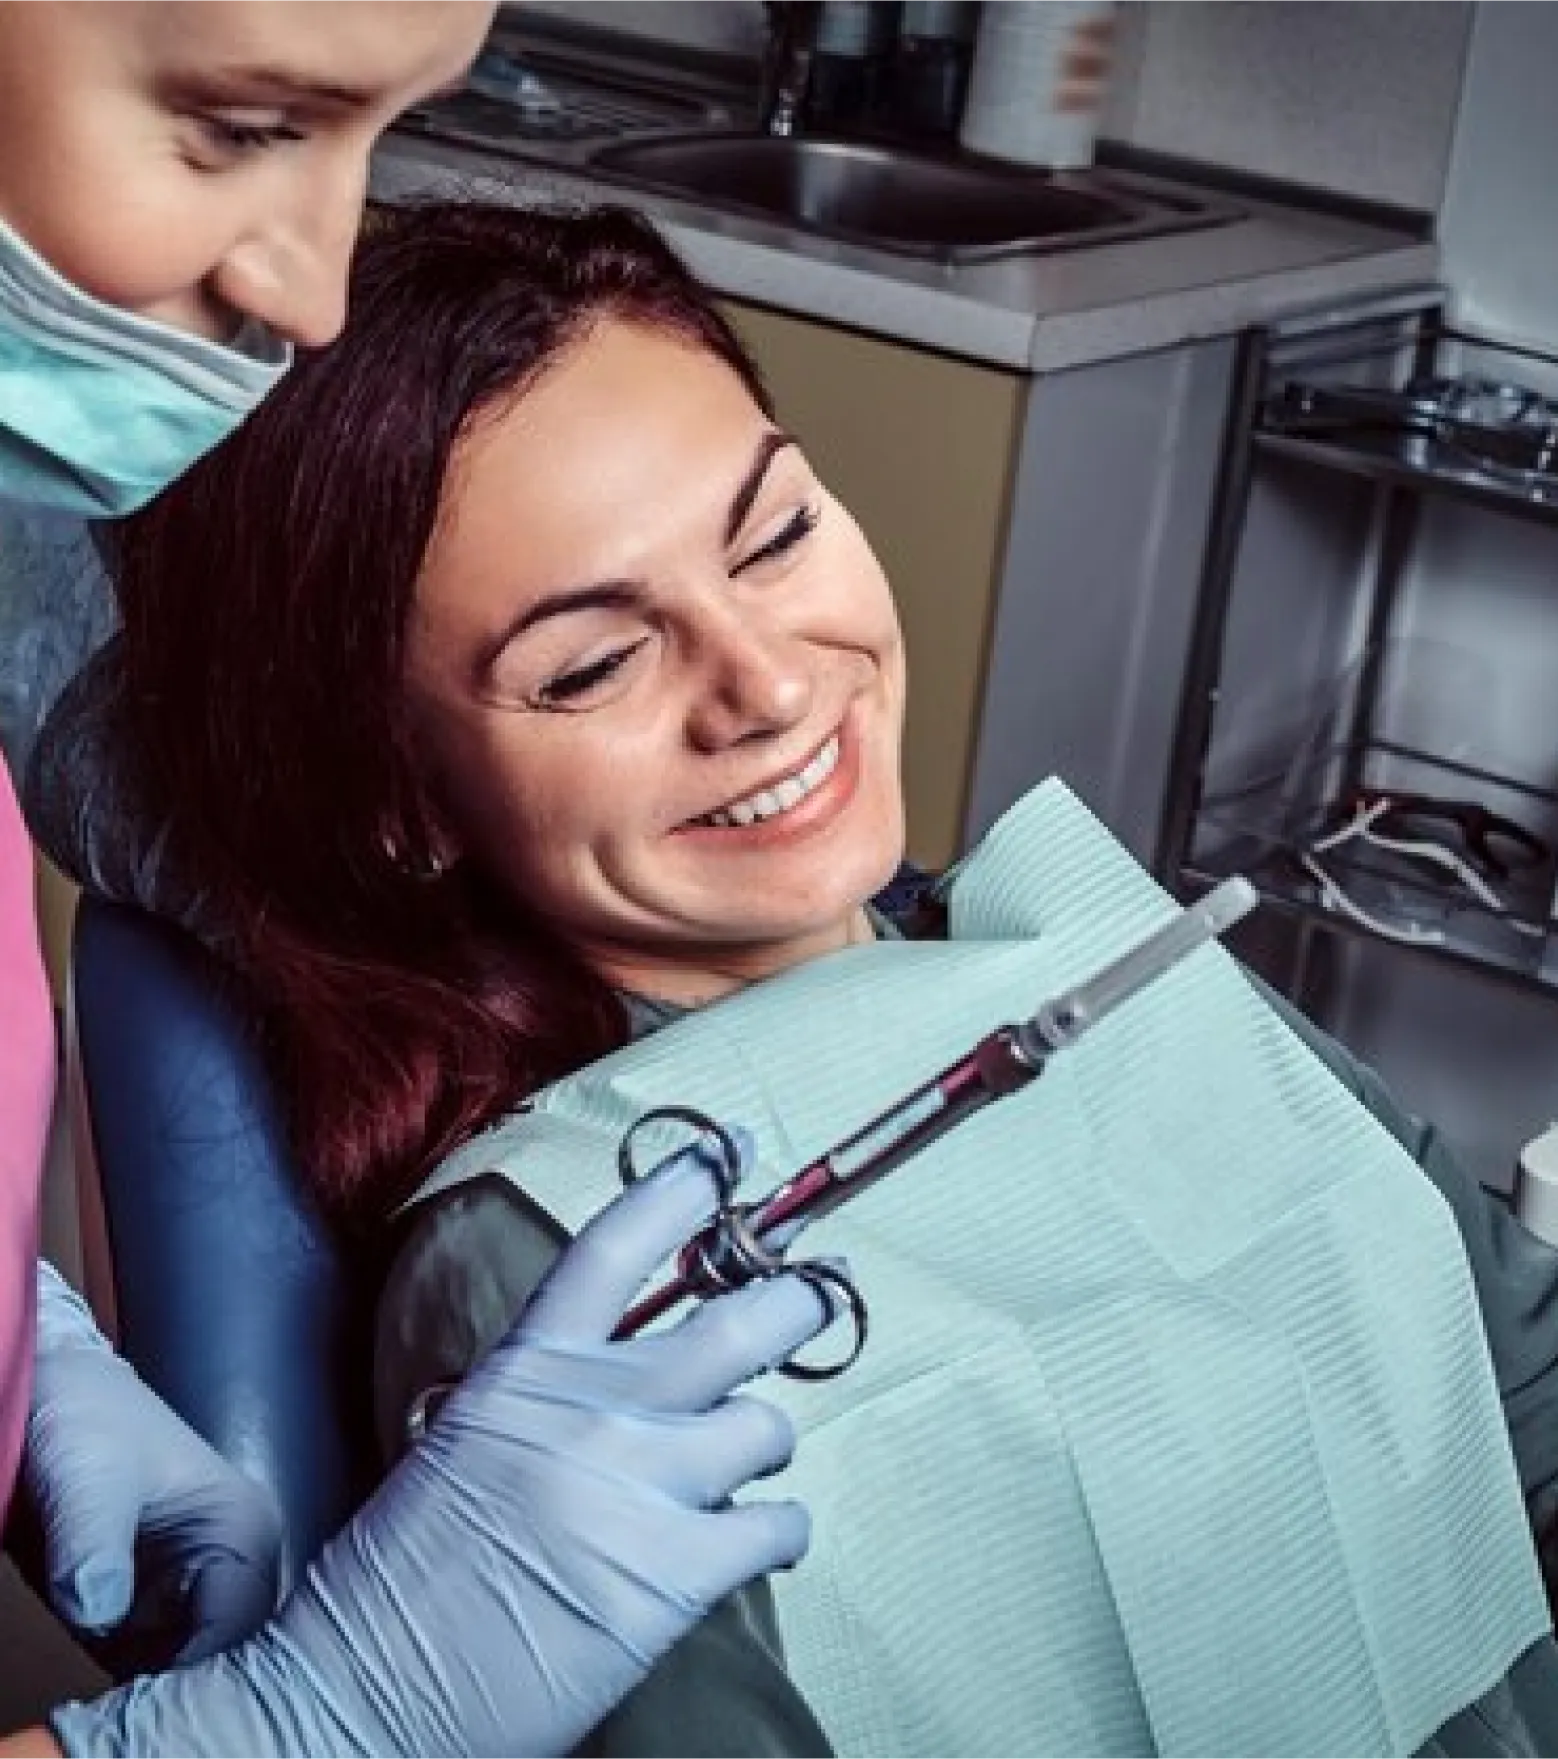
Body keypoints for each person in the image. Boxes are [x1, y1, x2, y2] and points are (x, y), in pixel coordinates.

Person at [32, 198, 1558, 1757]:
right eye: (591, 665)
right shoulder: (565, 1262)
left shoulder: (1101, 951)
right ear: (399, 800)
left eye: (774, 535)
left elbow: (1520, 1388)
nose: (766, 685)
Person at [0, 6, 839, 1757]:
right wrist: (310, 1726)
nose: (307, 298)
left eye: (774, 534)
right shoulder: (517, 1236)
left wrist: (27, 1341)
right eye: (238, 125)